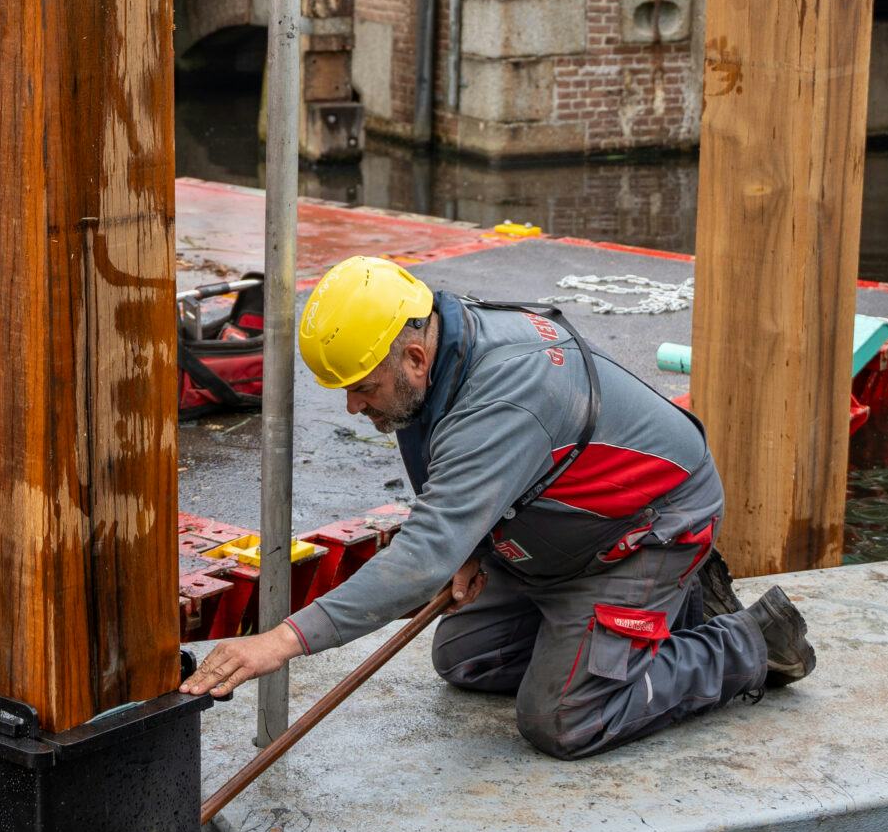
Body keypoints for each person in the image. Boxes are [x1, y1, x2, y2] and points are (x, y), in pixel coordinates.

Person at [181, 256, 815, 759]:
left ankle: (747, 641)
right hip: (557, 526)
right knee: (465, 657)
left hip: (642, 531)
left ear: (414, 357)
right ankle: (648, 628)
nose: (353, 406)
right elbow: (446, 490)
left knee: (564, 717)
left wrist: (283, 641)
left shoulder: (505, 397)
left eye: (362, 389)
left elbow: (422, 559)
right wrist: (478, 545)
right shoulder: (432, 358)